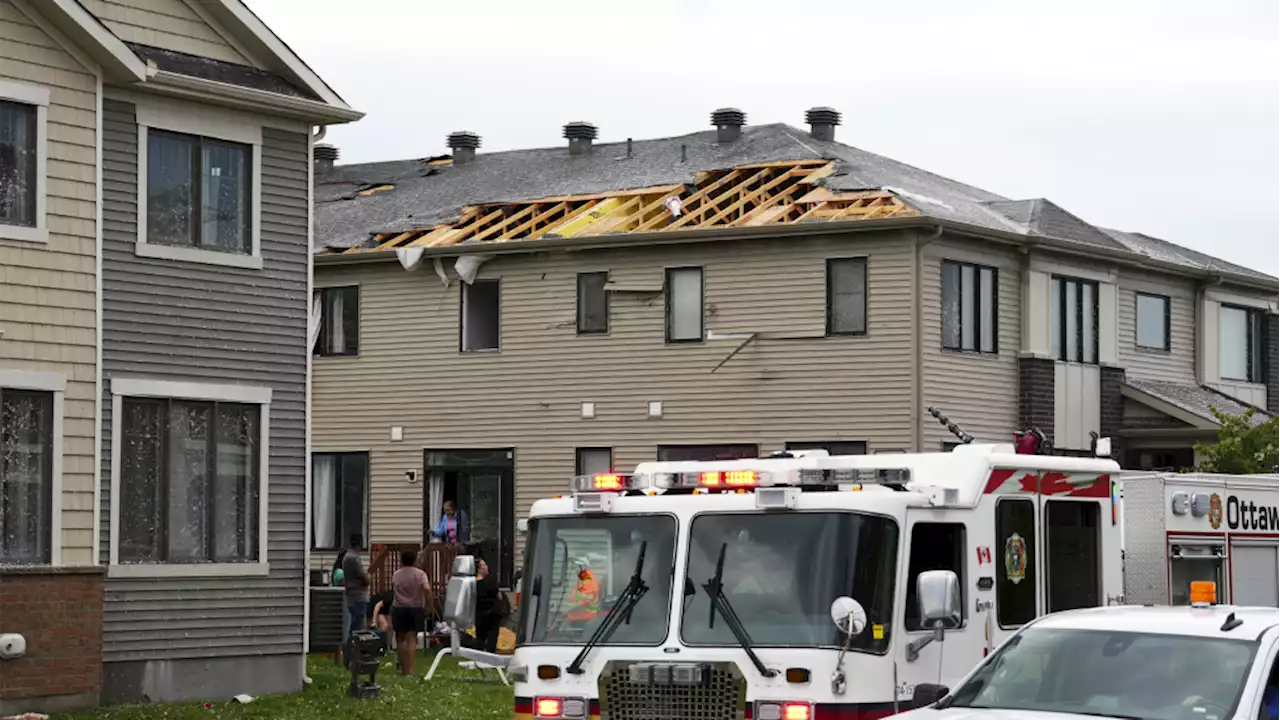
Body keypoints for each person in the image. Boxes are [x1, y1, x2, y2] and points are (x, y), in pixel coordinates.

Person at [391, 549, 431, 675]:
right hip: (415, 608)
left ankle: (402, 668)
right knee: (412, 639)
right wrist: (429, 604)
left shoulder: (396, 574)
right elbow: (427, 589)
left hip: (399, 608)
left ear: (401, 560)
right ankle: (409, 670)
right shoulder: (420, 574)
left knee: (400, 639)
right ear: (414, 560)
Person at [474, 559, 507, 654]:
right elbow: (499, 596)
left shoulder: (473, 585)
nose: (487, 567)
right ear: (480, 569)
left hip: (479, 615)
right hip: (492, 615)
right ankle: (490, 656)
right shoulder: (489, 582)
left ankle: (478, 656)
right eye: (484, 565)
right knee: (492, 638)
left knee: (480, 638)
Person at [341, 534, 370, 644]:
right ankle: (355, 650)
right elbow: (364, 578)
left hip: (351, 595)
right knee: (358, 627)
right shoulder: (353, 558)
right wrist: (368, 578)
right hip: (358, 596)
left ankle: (352, 650)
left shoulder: (347, 557)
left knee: (354, 624)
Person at [566, 557, 600, 625]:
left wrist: (568, 612)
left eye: (576, 567)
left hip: (583, 619)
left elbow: (587, 603)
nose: (575, 570)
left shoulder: (588, 580)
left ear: (583, 567)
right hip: (578, 618)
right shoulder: (583, 579)